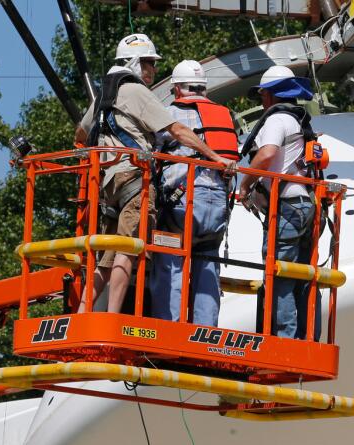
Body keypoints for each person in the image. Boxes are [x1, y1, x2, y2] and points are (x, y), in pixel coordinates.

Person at [74, 34, 235, 314]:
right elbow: (178, 131)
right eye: (149, 63)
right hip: (134, 182)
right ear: (135, 62)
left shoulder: (104, 95)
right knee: (128, 250)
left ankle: (82, 313)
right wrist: (215, 158)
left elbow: (81, 133)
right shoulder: (136, 92)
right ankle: (112, 317)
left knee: (105, 257)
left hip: (107, 184)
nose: (153, 70)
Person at [149, 60, 240, 327]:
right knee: (207, 265)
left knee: (170, 261)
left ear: (177, 89)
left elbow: (149, 148)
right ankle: (206, 329)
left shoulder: (170, 114)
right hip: (217, 206)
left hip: (183, 201)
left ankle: (169, 328)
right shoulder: (226, 115)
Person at [237, 65, 323, 339]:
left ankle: (284, 337)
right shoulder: (300, 123)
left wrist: (245, 183)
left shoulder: (277, 121)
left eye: (263, 95)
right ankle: (305, 335)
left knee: (279, 274)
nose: (262, 101)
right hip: (307, 207)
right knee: (300, 274)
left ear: (272, 95)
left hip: (286, 207)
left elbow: (267, 154)